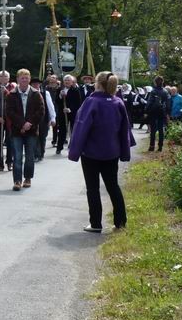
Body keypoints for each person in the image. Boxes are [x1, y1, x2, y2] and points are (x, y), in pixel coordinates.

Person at [68, 71, 136, 232]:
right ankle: (120, 222)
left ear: (98, 84)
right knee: (113, 186)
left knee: (93, 188)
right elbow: (125, 129)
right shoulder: (118, 102)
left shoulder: (91, 102)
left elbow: (81, 127)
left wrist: (74, 151)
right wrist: (125, 150)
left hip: (91, 152)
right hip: (112, 152)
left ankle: (96, 223)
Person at [5, 70, 45, 191]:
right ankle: (17, 180)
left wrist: (29, 124)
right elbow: (10, 112)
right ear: (17, 79)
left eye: (26, 78)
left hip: (32, 131)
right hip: (17, 131)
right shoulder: (11, 94)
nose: (24, 80)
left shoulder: (36, 94)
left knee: (29, 156)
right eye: (22, 78)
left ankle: (27, 178)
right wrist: (22, 124)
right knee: (17, 156)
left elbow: (41, 111)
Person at [30, 76, 56, 162]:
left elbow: (50, 106)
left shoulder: (45, 93)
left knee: (42, 136)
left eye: (37, 84)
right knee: (34, 136)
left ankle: (41, 152)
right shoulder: (29, 93)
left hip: (43, 118)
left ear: (39, 84)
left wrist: (53, 118)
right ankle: (36, 154)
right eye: (34, 84)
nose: (35, 85)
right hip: (32, 118)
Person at [56, 74, 83, 155]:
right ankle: (59, 147)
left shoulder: (75, 90)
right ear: (63, 82)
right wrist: (60, 96)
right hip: (62, 113)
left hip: (73, 113)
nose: (67, 82)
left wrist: (70, 109)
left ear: (72, 82)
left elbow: (78, 103)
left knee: (73, 130)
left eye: (69, 80)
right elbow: (57, 101)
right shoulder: (60, 90)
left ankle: (73, 147)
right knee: (62, 130)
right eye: (65, 80)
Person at [146, 75, 170, 152]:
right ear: (162, 82)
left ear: (155, 82)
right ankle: (160, 147)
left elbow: (149, 102)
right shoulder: (165, 92)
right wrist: (167, 113)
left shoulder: (153, 91)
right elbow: (168, 103)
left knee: (153, 130)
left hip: (154, 112)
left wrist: (146, 111)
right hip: (162, 112)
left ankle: (152, 146)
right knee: (161, 130)